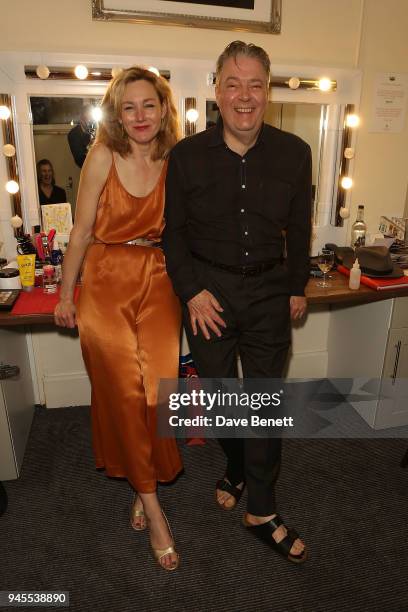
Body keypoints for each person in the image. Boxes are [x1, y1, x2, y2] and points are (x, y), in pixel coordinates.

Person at [163, 41, 312, 564]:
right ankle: (235, 467)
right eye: (233, 83)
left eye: (254, 84)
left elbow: (300, 226)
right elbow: (173, 235)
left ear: (267, 91)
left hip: (271, 292)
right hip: (209, 296)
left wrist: (296, 285)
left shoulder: (296, 153)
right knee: (226, 404)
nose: (243, 96)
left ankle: (262, 509)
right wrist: (191, 290)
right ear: (217, 89)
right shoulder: (184, 156)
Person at [55, 66, 182, 571]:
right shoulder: (103, 154)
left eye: (148, 104)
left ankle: (141, 476)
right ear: (116, 114)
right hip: (106, 278)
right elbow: (82, 231)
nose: (139, 115)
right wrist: (66, 293)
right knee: (126, 394)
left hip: (159, 278)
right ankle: (153, 508)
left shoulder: (178, 159)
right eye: (128, 107)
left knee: (158, 393)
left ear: (163, 108)